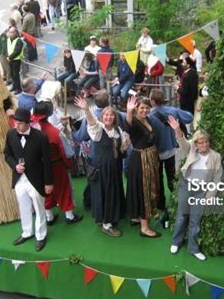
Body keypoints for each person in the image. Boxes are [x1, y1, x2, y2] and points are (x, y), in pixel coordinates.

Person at [167, 116, 222, 261]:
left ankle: (193, 248)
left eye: (206, 142)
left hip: (201, 191)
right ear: (196, 143)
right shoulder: (191, 148)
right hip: (186, 186)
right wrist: (177, 129)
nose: (204, 145)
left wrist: (210, 196)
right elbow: (183, 143)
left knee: (195, 221)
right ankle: (176, 242)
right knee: (181, 216)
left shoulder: (216, 157)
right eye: (201, 142)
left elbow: (216, 179)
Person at [75, 96, 127, 237]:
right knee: (104, 193)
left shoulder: (117, 131)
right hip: (102, 167)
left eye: (111, 115)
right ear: (102, 117)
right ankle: (106, 223)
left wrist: (122, 148)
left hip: (114, 167)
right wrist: (86, 109)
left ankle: (112, 215)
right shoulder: (98, 129)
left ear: (115, 118)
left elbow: (121, 146)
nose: (109, 117)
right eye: (106, 115)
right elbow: (92, 122)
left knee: (112, 191)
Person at [4, 108, 53, 252]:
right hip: (19, 180)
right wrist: (15, 166)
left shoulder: (41, 137)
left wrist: (48, 182)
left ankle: (41, 236)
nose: (16, 125)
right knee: (23, 207)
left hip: (36, 180)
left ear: (28, 123)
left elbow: (47, 161)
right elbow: (7, 154)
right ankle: (27, 232)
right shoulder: (11, 134)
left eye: (19, 123)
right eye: (15, 122)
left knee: (39, 208)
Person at [33, 102, 83, 225]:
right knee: (64, 189)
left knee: (46, 191)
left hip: (40, 166)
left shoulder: (33, 131)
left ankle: (49, 217)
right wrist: (68, 164)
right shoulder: (55, 133)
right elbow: (67, 152)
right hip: (57, 165)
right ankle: (69, 216)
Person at [149, 89, 193, 219]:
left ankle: (160, 204)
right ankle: (175, 201)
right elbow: (189, 117)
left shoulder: (149, 115)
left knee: (157, 179)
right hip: (170, 150)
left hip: (155, 152)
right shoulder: (172, 111)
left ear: (152, 101)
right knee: (172, 177)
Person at [124, 96, 161, 238]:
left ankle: (136, 216)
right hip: (141, 160)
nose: (145, 110)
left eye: (147, 108)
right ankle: (145, 228)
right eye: (141, 108)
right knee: (144, 190)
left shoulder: (148, 119)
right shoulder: (134, 120)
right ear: (136, 109)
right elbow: (128, 126)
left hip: (148, 157)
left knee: (141, 188)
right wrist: (128, 111)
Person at [6, 26, 24, 94]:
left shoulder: (18, 40)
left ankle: (18, 88)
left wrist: (10, 57)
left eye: (13, 32)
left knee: (16, 75)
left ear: (16, 32)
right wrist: (8, 57)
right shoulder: (8, 39)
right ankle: (14, 86)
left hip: (16, 60)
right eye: (10, 32)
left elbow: (17, 51)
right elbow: (9, 48)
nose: (11, 34)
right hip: (10, 59)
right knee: (12, 75)